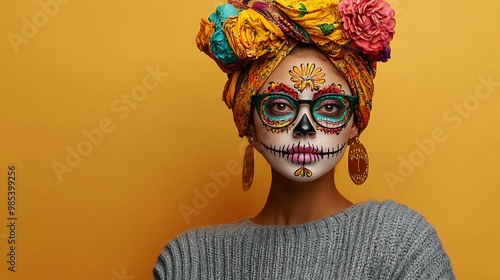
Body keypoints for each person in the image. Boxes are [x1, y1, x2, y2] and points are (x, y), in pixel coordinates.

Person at [154, 0, 455, 279]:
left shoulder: (399, 242)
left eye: (330, 107)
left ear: (354, 124)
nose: (304, 127)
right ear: (248, 123)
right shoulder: (186, 262)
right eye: (280, 105)